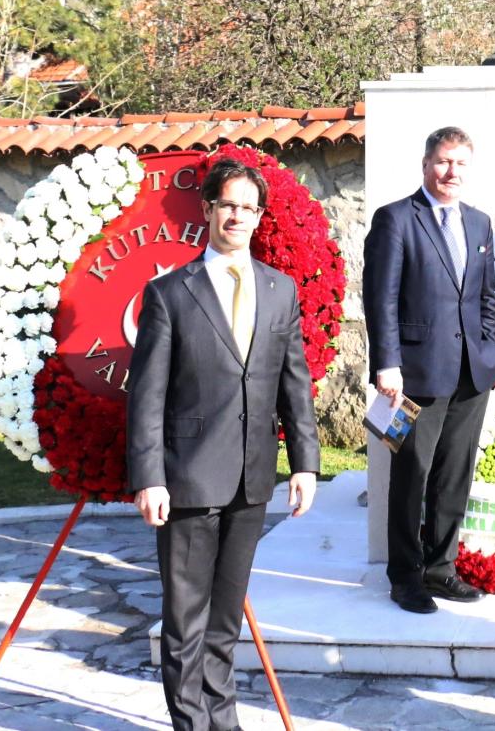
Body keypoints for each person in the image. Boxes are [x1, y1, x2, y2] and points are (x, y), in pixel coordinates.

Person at [127, 157, 319, 731]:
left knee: (226, 618)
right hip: (186, 476)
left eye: (248, 207)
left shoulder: (279, 290)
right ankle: (192, 724)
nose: (238, 215)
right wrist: (149, 476)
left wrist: (304, 464)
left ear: (260, 217)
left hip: (252, 477)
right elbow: (146, 394)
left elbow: (295, 383)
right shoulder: (169, 293)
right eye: (228, 204)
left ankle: (223, 719)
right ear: (208, 210)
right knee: (185, 620)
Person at [364, 126, 495, 612]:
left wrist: (490, 345)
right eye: (444, 162)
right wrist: (388, 363)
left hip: (472, 373)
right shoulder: (397, 219)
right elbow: (380, 298)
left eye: (461, 163)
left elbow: (486, 295)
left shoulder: (480, 222)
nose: (452, 172)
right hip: (415, 375)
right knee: (412, 474)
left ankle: (442, 569)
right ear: (426, 164)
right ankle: (405, 576)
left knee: (454, 475)